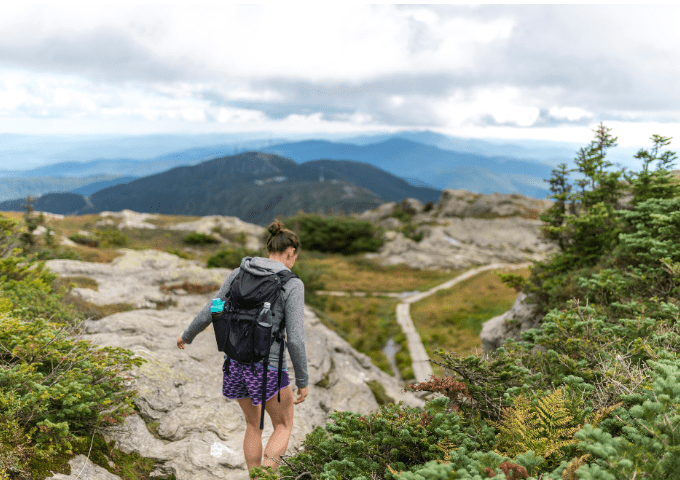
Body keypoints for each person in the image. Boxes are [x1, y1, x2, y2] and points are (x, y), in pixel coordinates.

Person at [177, 221, 309, 475]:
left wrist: (188, 334)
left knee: (253, 424)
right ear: (291, 253)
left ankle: (254, 476)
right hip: (267, 368)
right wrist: (302, 379)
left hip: (234, 364)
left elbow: (213, 307)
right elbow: (295, 339)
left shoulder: (240, 272)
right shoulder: (292, 284)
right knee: (282, 424)